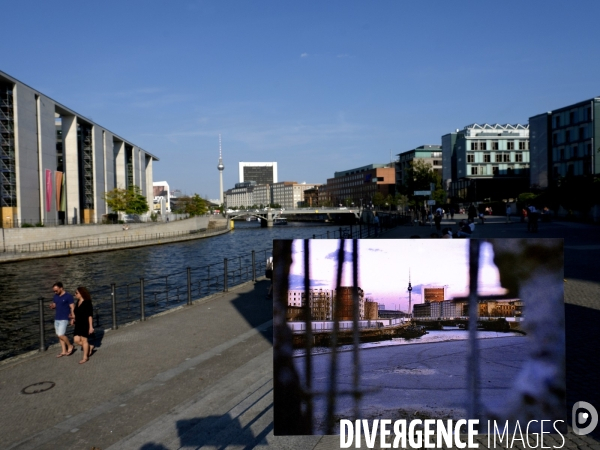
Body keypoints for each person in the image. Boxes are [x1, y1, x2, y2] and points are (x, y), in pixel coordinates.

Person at [50, 282, 75, 358]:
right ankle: (63, 351)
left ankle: (70, 346)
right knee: (59, 336)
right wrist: (53, 306)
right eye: (54, 291)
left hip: (64, 318)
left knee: (61, 334)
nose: (55, 292)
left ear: (61, 288)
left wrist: (73, 318)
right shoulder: (55, 296)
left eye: (56, 290)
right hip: (57, 317)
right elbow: (55, 304)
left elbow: (72, 307)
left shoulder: (68, 296)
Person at [71, 286, 95, 364]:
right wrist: (73, 318)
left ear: (81, 293)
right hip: (78, 324)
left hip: (85, 323)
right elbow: (77, 313)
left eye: (76, 293)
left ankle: (85, 357)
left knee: (84, 340)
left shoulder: (87, 302)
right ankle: (89, 347)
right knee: (76, 340)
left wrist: (91, 326)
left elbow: (90, 315)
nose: (75, 294)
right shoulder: (78, 302)